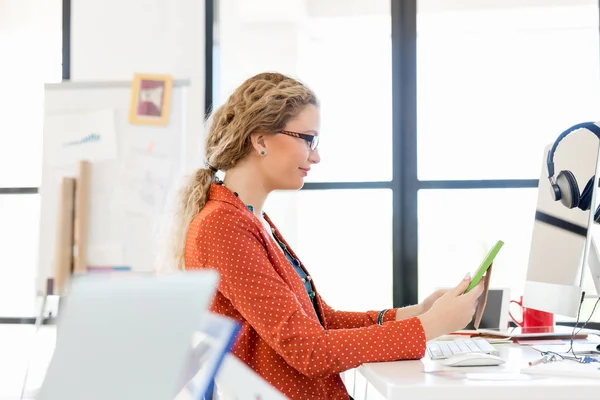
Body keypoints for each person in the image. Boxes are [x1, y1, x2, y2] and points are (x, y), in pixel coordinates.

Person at [170, 72, 484, 400]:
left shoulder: (251, 220)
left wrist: (418, 312)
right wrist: (432, 326)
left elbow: (322, 321)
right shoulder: (224, 227)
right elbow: (309, 350)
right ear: (260, 140)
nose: (315, 156)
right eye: (307, 139)